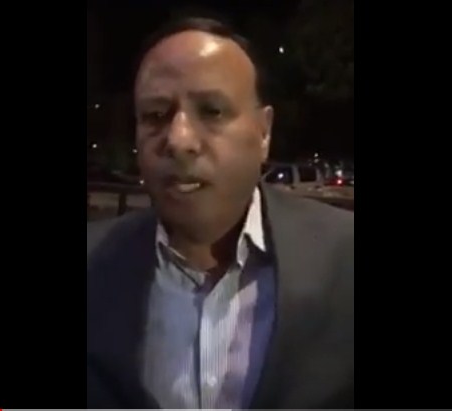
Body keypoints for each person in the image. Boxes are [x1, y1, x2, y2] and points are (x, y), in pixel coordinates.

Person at [87, 16, 354, 409]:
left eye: (211, 111)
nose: (178, 140)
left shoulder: (345, 258)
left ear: (264, 132)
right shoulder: (94, 263)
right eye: (156, 115)